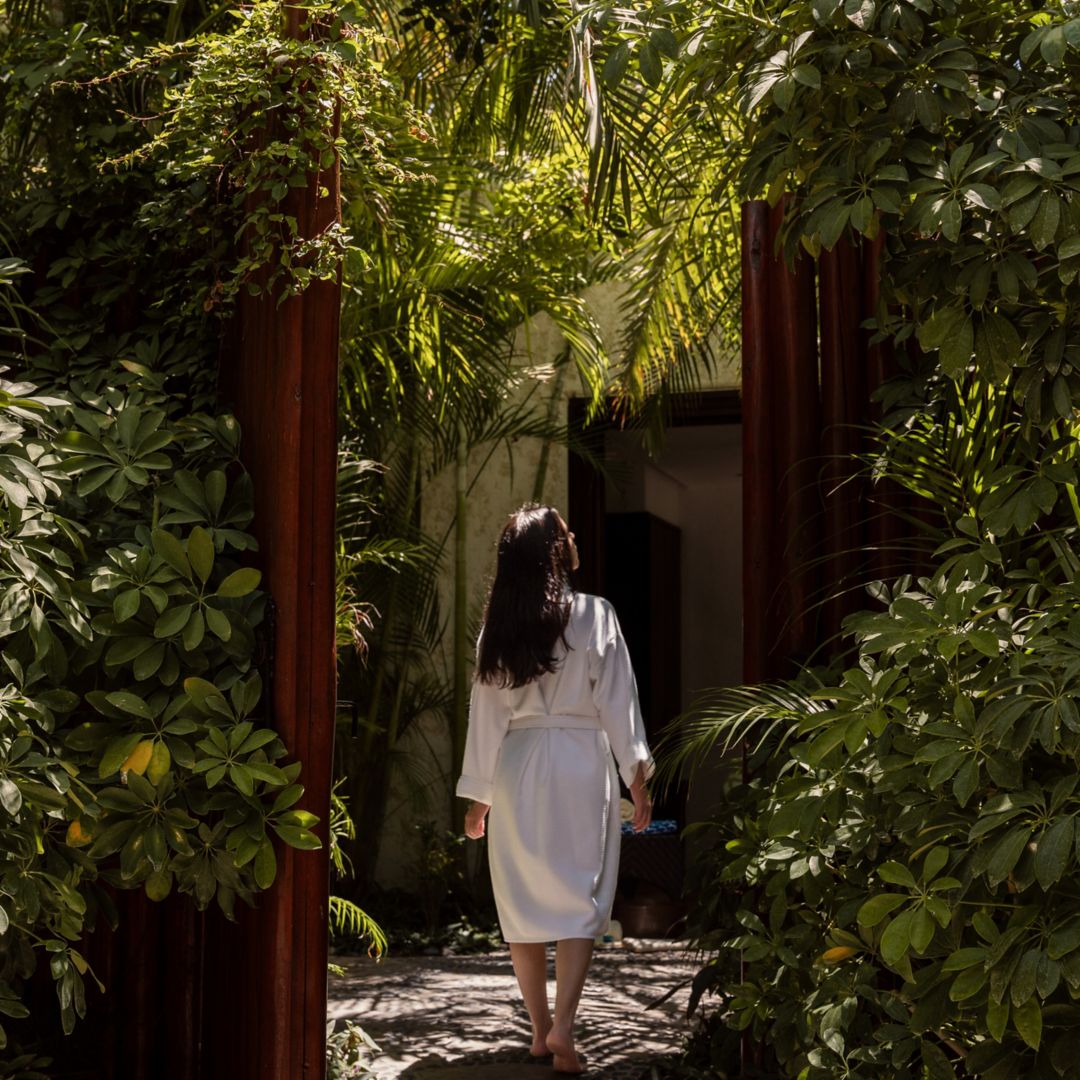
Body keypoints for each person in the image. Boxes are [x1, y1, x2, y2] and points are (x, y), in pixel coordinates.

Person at [456, 504, 654, 1074]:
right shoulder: (595, 614)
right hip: (580, 763)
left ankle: (541, 1031)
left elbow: (486, 718)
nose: (574, 537)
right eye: (566, 532)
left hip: (517, 765)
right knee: (579, 896)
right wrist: (636, 779)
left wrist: (480, 797)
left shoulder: (500, 626)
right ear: (553, 553)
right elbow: (621, 702)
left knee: (521, 902)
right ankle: (566, 1025)